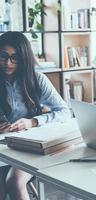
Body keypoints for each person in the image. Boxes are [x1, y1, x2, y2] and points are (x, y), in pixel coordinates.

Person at [0, 31, 71, 200]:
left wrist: (33, 122)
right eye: (3, 56)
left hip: (30, 147)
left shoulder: (37, 80)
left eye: (14, 58)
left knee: (14, 182)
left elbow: (65, 112)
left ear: (24, 58)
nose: (8, 63)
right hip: (4, 147)